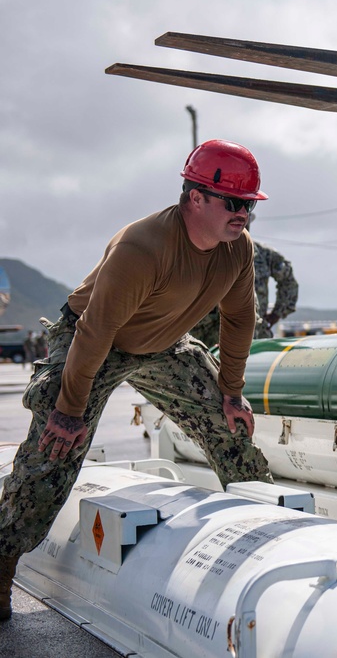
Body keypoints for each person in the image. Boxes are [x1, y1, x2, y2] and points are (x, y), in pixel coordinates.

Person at [0, 139, 274, 622]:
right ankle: (2, 560)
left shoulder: (237, 249)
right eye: (234, 203)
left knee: (230, 428)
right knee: (54, 449)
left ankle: (271, 529)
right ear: (196, 198)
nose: (244, 214)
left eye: (249, 204)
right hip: (95, 340)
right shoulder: (143, 247)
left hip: (164, 342)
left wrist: (231, 392)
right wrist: (67, 410)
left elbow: (239, 319)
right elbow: (96, 329)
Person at [189, 226, 298, 347]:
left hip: (253, 335)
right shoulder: (203, 251)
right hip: (208, 337)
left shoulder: (263, 254)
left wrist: (277, 313)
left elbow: (288, 280)